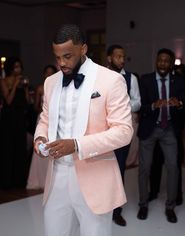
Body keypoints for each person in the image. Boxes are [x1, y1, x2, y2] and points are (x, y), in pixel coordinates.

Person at [33, 24, 133, 236]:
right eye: (57, 57)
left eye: (67, 56)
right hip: (57, 177)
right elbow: (45, 118)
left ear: (84, 49)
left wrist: (77, 145)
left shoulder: (111, 80)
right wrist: (40, 137)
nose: (61, 63)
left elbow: (124, 131)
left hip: (95, 176)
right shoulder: (51, 82)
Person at [137, 48, 185, 223]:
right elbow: (139, 106)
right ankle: (143, 204)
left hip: (169, 130)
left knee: (173, 167)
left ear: (171, 63)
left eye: (166, 61)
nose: (163, 64)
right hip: (150, 128)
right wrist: (152, 106)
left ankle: (170, 207)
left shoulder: (179, 81)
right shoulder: (145, 80)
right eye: (160, 60)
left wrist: (179, 103)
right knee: (144, 168)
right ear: (156, 61)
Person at [107, 44, 141, 226]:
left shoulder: (131, 78)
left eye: (123, 56)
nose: (121, 59)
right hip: (100, 132)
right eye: (118, 56)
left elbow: (137, 102)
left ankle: (116, 210)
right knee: (98, 169)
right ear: (109, 58)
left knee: (118, 169)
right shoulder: (99, 76)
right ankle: (99, 206)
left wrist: (122, 105)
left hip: (120, 132)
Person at [0, 57, 29, 189]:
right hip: (8, 119)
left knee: (20, 148)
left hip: (20, 118)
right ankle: (7, 181)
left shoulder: (23, 81)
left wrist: (26, 88)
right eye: (16, 66)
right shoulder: (4, 81)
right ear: (11, 68)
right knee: (8, 148)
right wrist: (15, 85)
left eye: (20, 66)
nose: (18, 69)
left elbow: (28, 102)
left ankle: (20, 181)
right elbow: (8, 101)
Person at [27, 65, 57, 190]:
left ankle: (53, 180)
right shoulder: (40, 88)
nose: (49, 75)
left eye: (51, 73)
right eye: (47, 73)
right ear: (44, 74)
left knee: (53, 146)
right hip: (43, 119)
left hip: (55, 119)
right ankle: (39, 180)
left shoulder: (58, 86)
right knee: (41, 146)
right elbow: (35, 107)